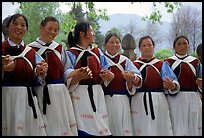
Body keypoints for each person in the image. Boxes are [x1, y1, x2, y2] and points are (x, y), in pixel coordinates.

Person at [27, 16, 78, 136]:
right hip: (41, 92)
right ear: (41, 27)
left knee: (62, 126)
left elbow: (66, 69)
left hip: (60, 93)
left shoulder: (59, 49)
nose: (53, 32)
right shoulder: (30, 49)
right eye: (50, 28)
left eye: (56, 30)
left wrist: (76, 73)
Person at [2, 13, 48, 136]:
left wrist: (40, 73)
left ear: (26, 30)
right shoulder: (2, 49)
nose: (19, 27)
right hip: (6, 99)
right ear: (7, 27)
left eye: (23, 25)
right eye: (15, 24)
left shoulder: (31, 53)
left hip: (27, 100)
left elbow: (37, 80)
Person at [66, 21, 114, 136]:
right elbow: (67, 74)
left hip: (97, 94)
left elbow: (107, 69)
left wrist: (108, 76)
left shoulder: (97, 53)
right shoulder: (71, 53)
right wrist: (78, 76)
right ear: (82, 34)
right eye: (91, 31)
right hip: (79, 96)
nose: (93, 34)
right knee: (83, 126)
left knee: (101, 126)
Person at [131, 35, 180, 136]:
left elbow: (174, 83)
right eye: (144, 45)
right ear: (139, 48)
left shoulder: (162, 65)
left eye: (149, 45)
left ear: (153, 47)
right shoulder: (133, 65)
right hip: (139, 101)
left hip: (159, 101)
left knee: (160, 128)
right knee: (141, 128)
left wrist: (171, 85)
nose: (147, 47)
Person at [102, 32, 142, 136]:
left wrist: (132, 78)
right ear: (106, 44)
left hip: (123, 100)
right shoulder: (100, 59)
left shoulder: (125, 61)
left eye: (117, 42)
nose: (115, 45)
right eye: (111, 42)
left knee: (124, 128)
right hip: (105, 100)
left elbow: (138, 77)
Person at [165, 35, 202, 136]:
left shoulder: (195, 62)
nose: (182, 46)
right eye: (179, 44)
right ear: (174, 47)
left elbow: (200, 78)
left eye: (185, 43)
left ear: (188, 46)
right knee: (177, 125)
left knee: (193, 125)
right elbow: (166, 79)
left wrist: (200, 83)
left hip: (193, 97)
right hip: (175, 98)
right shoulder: (168, 62)